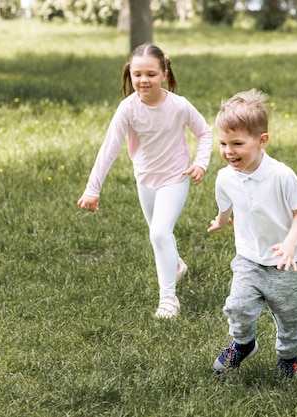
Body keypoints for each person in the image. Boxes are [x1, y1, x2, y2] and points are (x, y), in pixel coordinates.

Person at [78, 44, 212, 319]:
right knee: (159, 235)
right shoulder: (128, 108)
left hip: (175, 178)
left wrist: (200, 163)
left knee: (159, 233)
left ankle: (168, 300)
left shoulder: (179, 105)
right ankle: (175, 264)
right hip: (145, 180)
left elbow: (205, 133)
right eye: (137, 74)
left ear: (164, 72)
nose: (143, 80)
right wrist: (93, 189)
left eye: (151, 74)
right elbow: (109, 148)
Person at [207, 89, 297, 377]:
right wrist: (220, 220)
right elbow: (226, 203)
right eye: (223, 143)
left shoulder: (281, 175)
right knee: (238, 306)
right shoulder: (225, 177)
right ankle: (243, 344)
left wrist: (291, 244)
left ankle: (288, 358)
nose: (229, 151)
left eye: (238, 143)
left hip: (287, 264)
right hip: (249, 259)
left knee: (292, 318)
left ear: (261, 140)